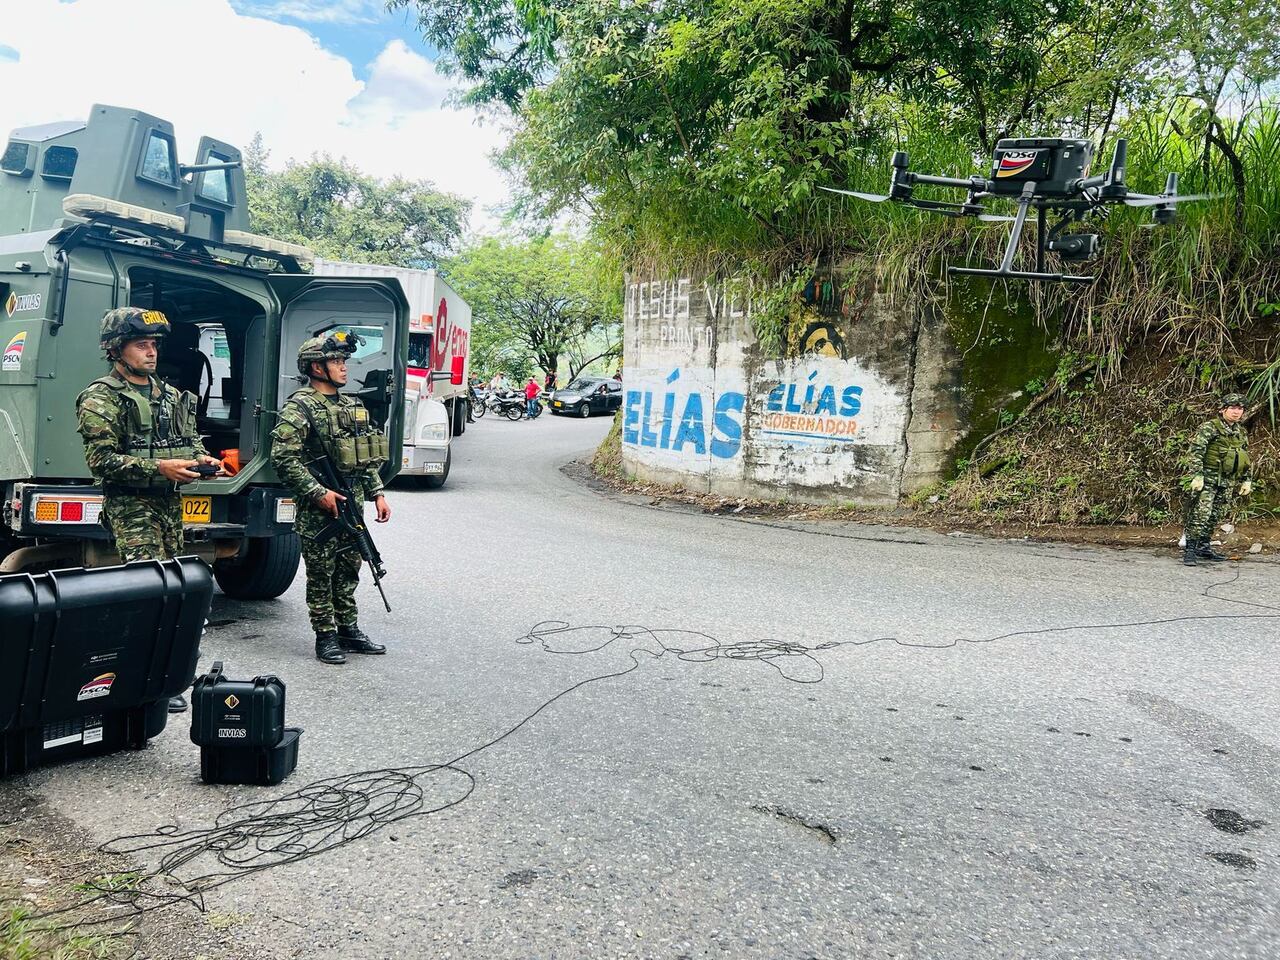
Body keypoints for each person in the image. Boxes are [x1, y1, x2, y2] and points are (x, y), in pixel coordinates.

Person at [76, 307, 223, 713]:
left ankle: (171, 671)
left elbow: (189, 442)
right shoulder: (99, 397)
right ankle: (144, 680)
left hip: (169, 505)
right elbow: (102, 461)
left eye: (154, 344)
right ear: (116, 349)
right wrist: (160, 467)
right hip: (131, 507)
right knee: (148, 593)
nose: (151, 352)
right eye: (141, 344)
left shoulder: (170, 395)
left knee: (175, 590)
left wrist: (203, 463)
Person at [271, 332, 392, 664]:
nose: (343, 367)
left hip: (351, 501)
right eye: (336, 361)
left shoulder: (352, 404)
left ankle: (348, 629)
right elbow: (283, 459)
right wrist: (318, 493)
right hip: (319, 508)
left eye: (343, 361)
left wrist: (377, 493)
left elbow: (362, 456)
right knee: (321, 573)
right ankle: (325, 636)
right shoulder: (300, 407)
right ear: (316, 368)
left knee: (349, 569)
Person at [1182, 393, 1252, 566]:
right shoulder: (1210, 427)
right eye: (1233, 408)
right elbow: (1196, 451)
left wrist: (1247, 479)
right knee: (1201, 514)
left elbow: (1244, 458)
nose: (1237, 412)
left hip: (1227, 481)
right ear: (1222, 410)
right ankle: (1190, 550)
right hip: (1208, 479)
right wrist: (1197, 475)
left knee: (1215, 515)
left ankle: (1203, 547)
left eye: (1240, 408)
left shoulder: (1240, 432)